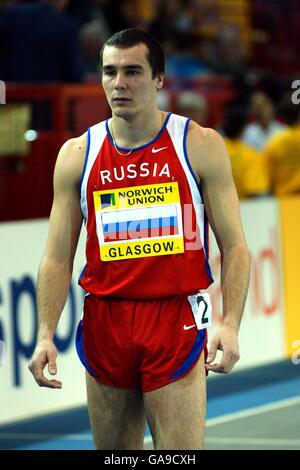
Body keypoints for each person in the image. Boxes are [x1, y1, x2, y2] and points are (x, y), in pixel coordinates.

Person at [28, 29, 250, 450]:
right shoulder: (77, 155)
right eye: (110, 72)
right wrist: (44, 334)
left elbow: (235, 246)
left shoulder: (199, 145)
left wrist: (231, 323)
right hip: (105, 323)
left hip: (173, 321)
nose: (119, 83)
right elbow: (57, 257)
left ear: (159, 79)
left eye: (132, 71)